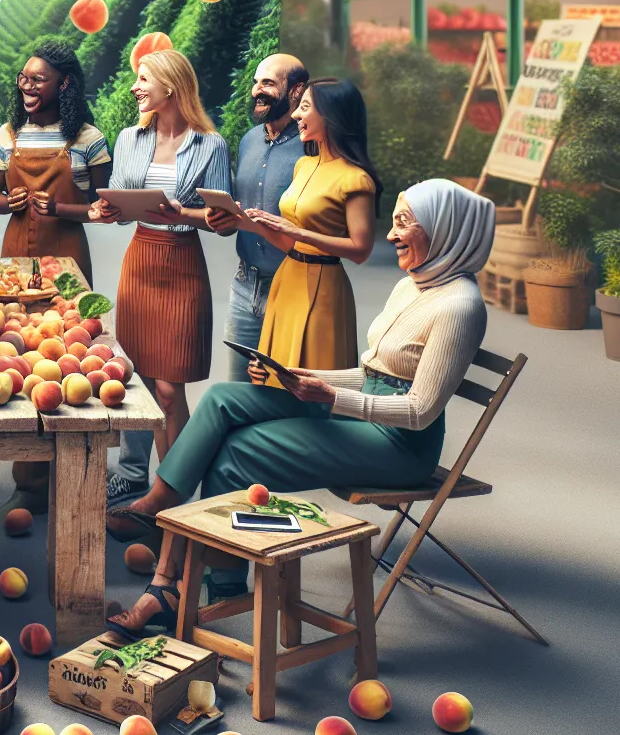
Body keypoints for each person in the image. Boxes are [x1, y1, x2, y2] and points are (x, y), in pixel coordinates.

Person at [104, 180, 495, 631]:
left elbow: (421, 409)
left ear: (447, 229)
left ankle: (178, 584)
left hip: (399, 447)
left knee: (238, 451)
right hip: (361, 409)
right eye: (394, 221)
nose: (391, 235)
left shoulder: (461, 306)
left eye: (405, 224)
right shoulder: (415, 284)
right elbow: (373, 373)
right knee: (222, 398)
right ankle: (160, 510)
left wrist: (332, 396)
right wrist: (307, 379)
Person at [88, 49, 231, 510]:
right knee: (139, 379)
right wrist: (108, 211)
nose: (135, 87)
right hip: (140, 261)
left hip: (181, 262)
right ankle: (134, 479)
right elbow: (122, 204)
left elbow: (222, 219)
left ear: (170, 86)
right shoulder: (130, 137)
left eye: (143, 78)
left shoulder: (211, 144)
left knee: (170, 390)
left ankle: (171, 497)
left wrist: (183, 212)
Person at [0, 38, 110, 519]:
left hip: (69, 260)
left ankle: (75, 476)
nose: (27, 87)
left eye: (38, 79)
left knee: (73, 355)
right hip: (15, 257)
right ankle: (29, 482)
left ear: (65, 84)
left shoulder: (87, 138)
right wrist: (9, 203)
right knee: (17, 355)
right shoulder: (8, 133)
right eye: (24, 78)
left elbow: (104, 208)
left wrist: (60, 208)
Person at [244, 78, 381, 386]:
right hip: (287, 278)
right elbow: (287, 240)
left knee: (309, 383)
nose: (295, 115)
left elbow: (361, 249)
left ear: (331, 115)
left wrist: (301, 233)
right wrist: (245, 221)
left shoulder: (356, 179)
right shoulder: (304, 165)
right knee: (272, 377)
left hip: (324, 289)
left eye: (304, 107)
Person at [217, 54, 309, 384]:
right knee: (236, 389)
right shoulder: (248, 141)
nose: (258, 90)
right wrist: (224, 220)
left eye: (268, 83)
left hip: (293, 289)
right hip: (244, 285)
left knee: (279, 393)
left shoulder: (312, 145)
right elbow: (241, 212)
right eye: (256, 82)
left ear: (297, 91)